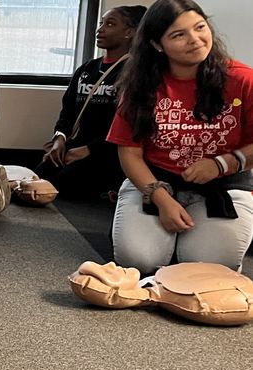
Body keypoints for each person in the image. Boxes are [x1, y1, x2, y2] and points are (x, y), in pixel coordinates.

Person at [108, 0, 253, 275]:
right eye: (179, 35)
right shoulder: (141, 86)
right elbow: (129, 152)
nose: (195, 40)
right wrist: (161, 198)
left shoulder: (243, 79)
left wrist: (222, 163)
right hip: (155, 183)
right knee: (139, 262)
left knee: (207, 268)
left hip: (224, 186)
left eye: (200, 27)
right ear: (157, 45)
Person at [36, 6, 147, 200]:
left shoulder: (135, 73)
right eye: (101, 23)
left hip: (108, 153)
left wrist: (90, 150)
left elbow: (130, 125)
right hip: (76, 145)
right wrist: (59, 139)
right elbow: (68, 111)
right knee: (41, 173)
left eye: (110, 24)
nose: (100, 29)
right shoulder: (86, 69)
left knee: (64, 183)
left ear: (129, 32)